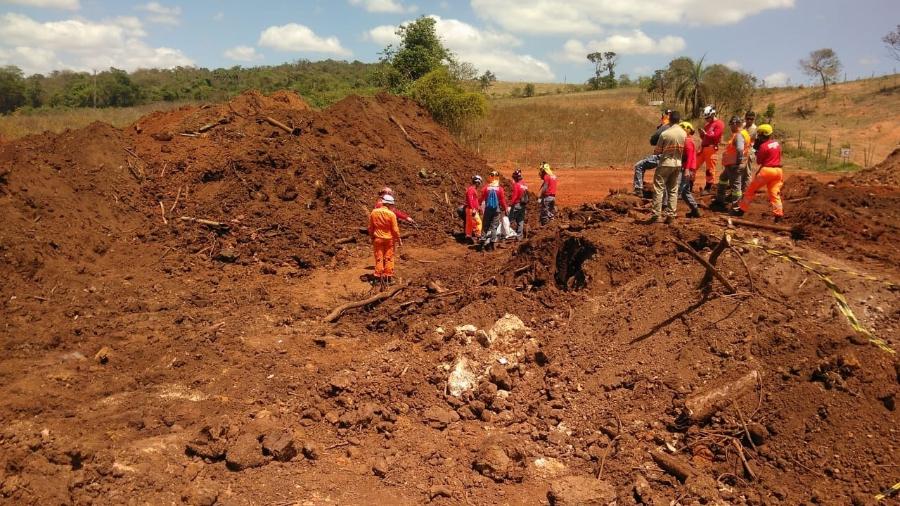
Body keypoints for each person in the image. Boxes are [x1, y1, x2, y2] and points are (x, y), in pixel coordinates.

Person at [734, 124, 785, 221]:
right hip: (778, 171)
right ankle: (778, 215)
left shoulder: (763, 146)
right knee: (774, 193)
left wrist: (757, 150)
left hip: (767, 171)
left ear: (762, 134)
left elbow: (759, 161)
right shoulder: (777, 144)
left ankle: (741, 210)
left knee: (750, 190)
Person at [650, 110, 686, 223]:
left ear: (669, 119)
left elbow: (657, 151)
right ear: (679, 120)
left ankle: (656, 215)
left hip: (665, 163)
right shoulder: (683, 133)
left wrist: (657, 152)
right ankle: (671, 215)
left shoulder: (665, 134)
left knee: (659, 188)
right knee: (673, 189)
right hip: (677, 164)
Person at [712, 116, 751, 210]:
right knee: (723, 178)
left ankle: (736, 207)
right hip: (732, 164)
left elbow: (740, 149)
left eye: (731, 125)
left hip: (734, 165)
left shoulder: (739, 135)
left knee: (735, 186)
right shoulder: (744, 133)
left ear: (735, 124)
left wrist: (738, 162)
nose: (730, 128)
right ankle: (720, 199)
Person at [632, 109, 673, 197]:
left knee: (639, 165)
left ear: (664, 116)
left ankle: (638, 189)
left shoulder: (665, 126)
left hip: (661, 156)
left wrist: (660, 129)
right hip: (675, 158)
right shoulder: (678, 128)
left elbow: (653, 140)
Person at [368, 194, 402, 285]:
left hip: (378, 239)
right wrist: (399, 239)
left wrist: (371, 237)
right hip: (389, 240)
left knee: (379, 258)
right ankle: (388, 278)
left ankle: (377, 279)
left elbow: (371, 228)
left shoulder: (374, 212)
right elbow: (395, 230)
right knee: (389, 258)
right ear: (389, 205)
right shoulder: (391, 214)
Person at [697, 105, 725, 194]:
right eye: (706, 118)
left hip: (711, 148)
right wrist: (702, 134)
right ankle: (688, 185)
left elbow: (716, 136)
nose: (707, 119)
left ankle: (708, 188)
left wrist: (705, 134)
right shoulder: (707, 125)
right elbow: (704, 138)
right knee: (694, 165)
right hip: (703, 147)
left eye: (708, 117)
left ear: (713, 115)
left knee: (710, 169)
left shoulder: (719, 124)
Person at [479, 170, 508, 250]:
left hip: (488, 209)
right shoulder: (500, 189)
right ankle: (492, 245)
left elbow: (481, 198)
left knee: (485, 226)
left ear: (490, 178)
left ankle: (481, 244)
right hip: (496, 210)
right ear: (497, 178)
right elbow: (502, 200)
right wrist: (505, 209)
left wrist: (478, 205)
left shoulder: (486, 188)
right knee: (494, 227)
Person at [679, 121, 701, 218]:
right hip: (688, 168)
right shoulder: (687, 140)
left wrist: (687, 169)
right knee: (685, 192)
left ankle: (669, 211)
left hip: (687, 168)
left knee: (678, 189)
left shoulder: (687, 141)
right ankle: (695, 210)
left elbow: (689, 157)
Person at [508, 169, 529, 239]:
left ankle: (508, 234)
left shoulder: (516, 185)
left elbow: (515, 196)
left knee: (509, 219)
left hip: (517, 204)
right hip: (523, 205)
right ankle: (520, 236)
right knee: (520, 220)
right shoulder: (524, 184)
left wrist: (510, 204)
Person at [741, 111, 758, 195]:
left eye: (751, 119)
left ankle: (746, 191)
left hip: (749, 151)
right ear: (745, 118)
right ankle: (740, 190)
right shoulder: (743, 126)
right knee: (740, 171)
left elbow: (753, 142)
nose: (749, 121)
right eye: (748, 118)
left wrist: (753, 152)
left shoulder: (754, 129)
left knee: (747, 172)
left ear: (754, 119)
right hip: (741, 151)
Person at [464, 175, 483, 243]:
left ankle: (468, 237)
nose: (479, 184)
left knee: (469, 224)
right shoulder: (471, 189)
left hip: (470, 209)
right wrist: (473, 209)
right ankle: (478, 236)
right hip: (471, 209)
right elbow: (470, 199)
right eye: (479, 183)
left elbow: (474, 200)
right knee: (478, 223)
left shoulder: (472, 189)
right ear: (477, 182)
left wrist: (478, 208)